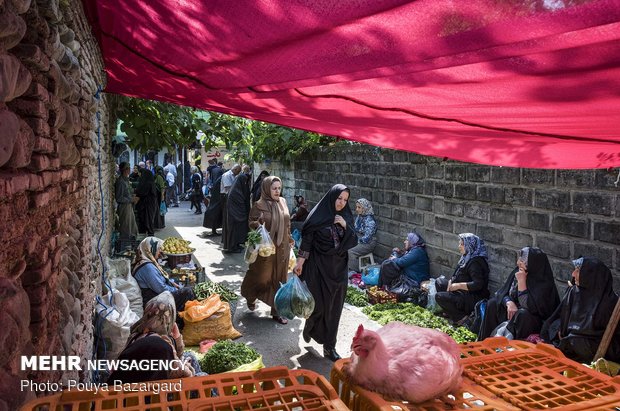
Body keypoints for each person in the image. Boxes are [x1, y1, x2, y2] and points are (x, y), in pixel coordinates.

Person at [293, 184, 356, 361]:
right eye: (339, 198)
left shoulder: (345, 217)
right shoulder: (318, 216)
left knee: (334, 309)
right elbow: (307, 241)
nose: (342, 203)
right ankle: (310, 325)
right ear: (331, 197)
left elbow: (354, 240)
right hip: (319, 267)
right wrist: (300, 263)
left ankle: (330, 347)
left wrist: (345, 226)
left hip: (339, 270)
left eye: (345, 200)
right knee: (318, 305)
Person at [541, 257, 620, 363]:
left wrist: (573, 337)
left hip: (596, 349)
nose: (573, 274)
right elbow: (562, 318)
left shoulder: (610, 303)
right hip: (572, 343)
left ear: (590, 276)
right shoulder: (574, 292)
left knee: (575, 342)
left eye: (578, 271)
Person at [108, 292, 195, 384]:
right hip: (147, 392)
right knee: (199, 371)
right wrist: (177, 337)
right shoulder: (163, 342)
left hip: (126, 386)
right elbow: (183, 372)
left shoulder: (137, 333)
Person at [241, 176, 293, 324]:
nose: (277, 191)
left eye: (279, 188)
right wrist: (258, 224)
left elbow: (287, 223)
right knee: (261, 278)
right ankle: (250, 295)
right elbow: (251, 222)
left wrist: (289, 239)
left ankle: (277, 311)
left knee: (280, 279)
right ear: (266, 189)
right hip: (266, 249)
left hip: (282, 247)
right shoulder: (259, 205)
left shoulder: (282, 202)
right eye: (274, 188)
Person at [477, 247, 560, 341]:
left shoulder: (543, 283)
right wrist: (508, 302)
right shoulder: (518, 271)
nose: (518, 262)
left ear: (533, 263)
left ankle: (509, 349)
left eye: (523, 260)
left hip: (533, 321)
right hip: (515, 313)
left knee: (522, 314)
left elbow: (530, 308)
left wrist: (522, 282)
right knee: (492, 304)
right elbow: (502, 292)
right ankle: (485, 342)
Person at [131, 237, 196, 319]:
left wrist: (172, 283)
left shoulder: (144, 261)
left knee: (177, 282)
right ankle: (181, 318)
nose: (159, 252)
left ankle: (179, 315)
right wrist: (177, 289)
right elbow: (161, 288)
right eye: (158, 250)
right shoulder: (147, 268)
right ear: (151, 249)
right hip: (153, 300)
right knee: (188, 292)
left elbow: (160, 281)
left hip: (155, 295)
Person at [435, 233, 490, 323]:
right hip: (462, 293)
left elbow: (478, 284)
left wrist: (457, 286)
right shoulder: (466, 257)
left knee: (439, 297)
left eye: (462, 244)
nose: (459, 246)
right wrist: (451, 281)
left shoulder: (475, 263)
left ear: (470, 245)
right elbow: (457, 273)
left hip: (473, 297)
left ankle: (462, 318)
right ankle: (450, 311)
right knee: (439, 282)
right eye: (459, 244)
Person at [222, 167, 251, 253]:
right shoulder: (235, 192)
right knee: (234, 232)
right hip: (234, 217)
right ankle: (233, 247)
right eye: (245, 182)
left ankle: (237, 245)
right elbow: (239, 205)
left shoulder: (237, 188)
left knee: (238, 231)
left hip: (235, 216)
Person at [347, 198, 377, 272]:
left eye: (359, 207)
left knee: (350, 251)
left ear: (365, 208)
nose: (357, 209)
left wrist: (355, 241)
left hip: (368, 243)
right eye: (356, 207)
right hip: (360, 239)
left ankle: (355, 271)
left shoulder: (370, 221)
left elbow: (367, 238)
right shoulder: (360, 217)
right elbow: (355, 229)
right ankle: (346, 268)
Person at [114, 162, 139, 239]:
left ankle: (131, 243)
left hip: (128, 206)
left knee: (132, 227)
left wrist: (133, 196)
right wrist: (131, 199)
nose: (129, 170)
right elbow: (119, 198)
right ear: (124, 170)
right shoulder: (121, 182)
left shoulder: (126, 180)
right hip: (124, 207)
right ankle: (125, 245)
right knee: (126, 227)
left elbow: (127, 193)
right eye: (128, 168)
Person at [220, 164, 241, 245]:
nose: (237, 173)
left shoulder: (234, 175)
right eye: (237, 172)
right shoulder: (226, 175)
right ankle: (227, 241)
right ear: (235, 169)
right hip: (226, 197)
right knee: (227, 219)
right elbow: (228, 188)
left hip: (231, 197)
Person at [134, 168, 159, 236]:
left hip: (147, 205)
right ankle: (149, 236)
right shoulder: (150, 182)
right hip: (150, 205)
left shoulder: (147, 183)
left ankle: (149, 237)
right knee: (149, 220)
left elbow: (141, 192)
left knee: (147, 220)